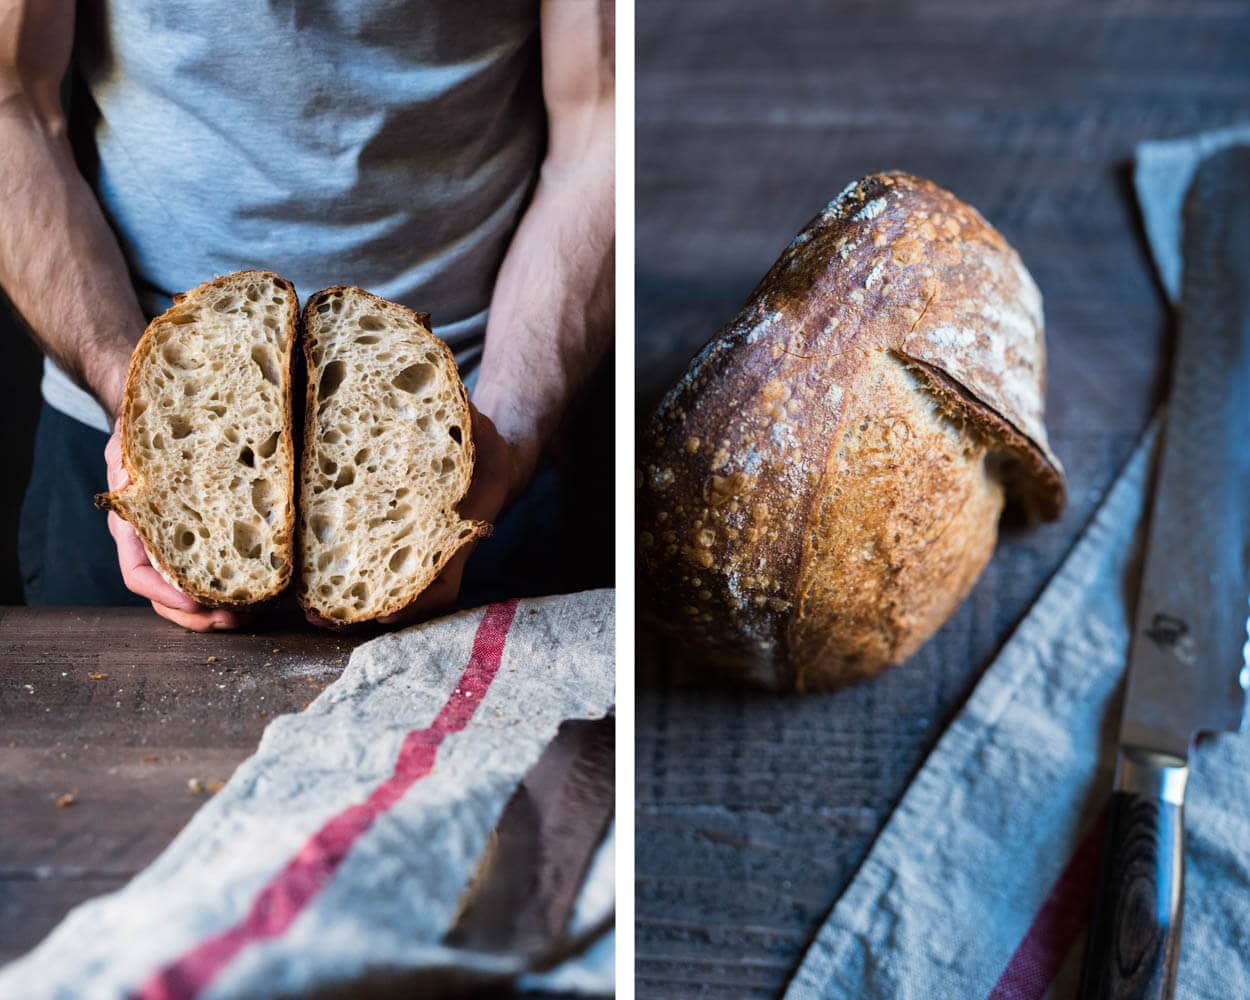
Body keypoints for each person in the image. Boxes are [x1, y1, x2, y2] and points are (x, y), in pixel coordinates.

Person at [1, 0, 614, 629]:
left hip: (480, 442)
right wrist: (136, 418)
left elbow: (603, 124)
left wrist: (508, 441)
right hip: (127, 447)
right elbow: (9, 100)